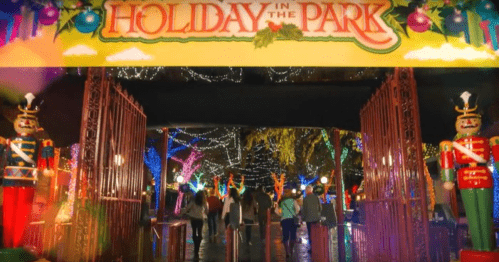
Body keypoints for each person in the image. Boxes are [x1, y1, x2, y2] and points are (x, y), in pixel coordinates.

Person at [181, 191, 208, 260]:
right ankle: (197, 249)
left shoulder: (193, 201)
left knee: (194, 232)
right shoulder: (204, 202)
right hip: (200, 219)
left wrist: (181, 212)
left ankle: (195, 245)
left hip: (193, 219)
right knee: (199, 233)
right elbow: (207, 210)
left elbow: (187, 208)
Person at [275, 188, 300, 258]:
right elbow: (298, 209)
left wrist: (281, 215)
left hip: (284, 220)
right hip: (292, 219)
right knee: (293, 236)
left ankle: (287, 251)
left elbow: (276, 211)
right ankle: (291, 249)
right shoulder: (293, 200)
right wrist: (294, 213)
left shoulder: (281, 201)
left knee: (285, 236)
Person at [301, 185, 322, 252]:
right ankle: (317, 246)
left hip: (309, 219)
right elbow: (320, 208)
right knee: (316, 233)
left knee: (310, 233)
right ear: (312, 190)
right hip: (316, 218)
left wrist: (303, 218)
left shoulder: (305, 198)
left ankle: (312, 248)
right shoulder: (316, 197)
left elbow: (304, 210)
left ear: (306, 191)